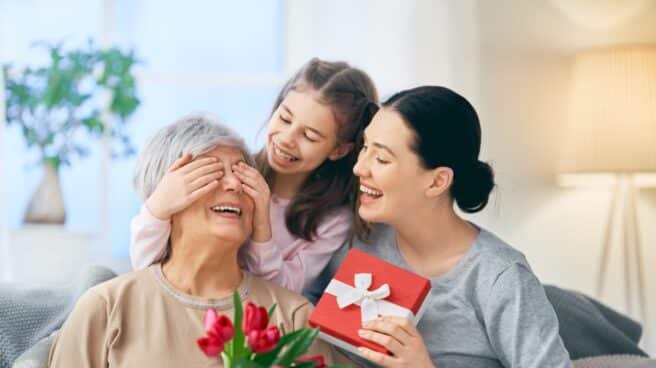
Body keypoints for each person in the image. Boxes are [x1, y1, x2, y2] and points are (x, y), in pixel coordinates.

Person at [307, 86, 573, 368]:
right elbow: (300, 316)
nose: (360, 168)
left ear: (436, 182)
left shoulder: (498, 277)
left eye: (382, 159)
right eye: (364, 147)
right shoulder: (360, 241)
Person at [48, 114, 336, 367]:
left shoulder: (294, 317)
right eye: (210, 173)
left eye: (242, 174)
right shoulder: (106, 308)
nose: (234, 184)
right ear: (165, 194)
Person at [130, 58, 379, 294]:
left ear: (339, 150)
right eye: (284, 118)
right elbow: (150, 268)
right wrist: (158, 207)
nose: (286, 139)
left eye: (310, 136)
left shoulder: (332, 220)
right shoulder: (231, 178)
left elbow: (284, 296)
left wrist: (262, 227)